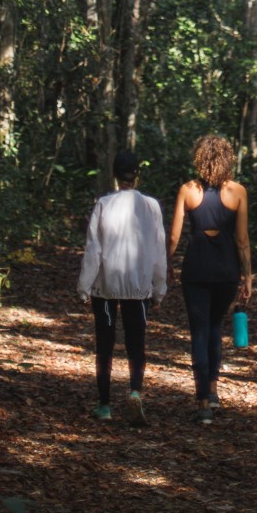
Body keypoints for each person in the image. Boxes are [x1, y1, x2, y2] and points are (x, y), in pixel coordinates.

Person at [77, 149, 167, 426]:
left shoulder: (103, 204)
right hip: (138, 286)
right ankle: (135, 392)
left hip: (105, 287)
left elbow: (94, 249)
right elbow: (158, 251)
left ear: (114, 175)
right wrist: (159, 287)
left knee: (104, 344)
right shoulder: (151, 206)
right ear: (136, 174)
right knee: (135, 342)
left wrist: (84, 285)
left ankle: (104, 405)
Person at [168, 134, 252, 426]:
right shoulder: (238, 191)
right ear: (228, 160)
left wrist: (167, 263)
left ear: (200, 158)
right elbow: (242, 240)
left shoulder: (188, 191)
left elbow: (174, 236)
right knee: (214, 326)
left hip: (196, 271)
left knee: (199, 332)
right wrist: (248, 276)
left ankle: (203, 403)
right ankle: (213, 390)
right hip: (227, 272)